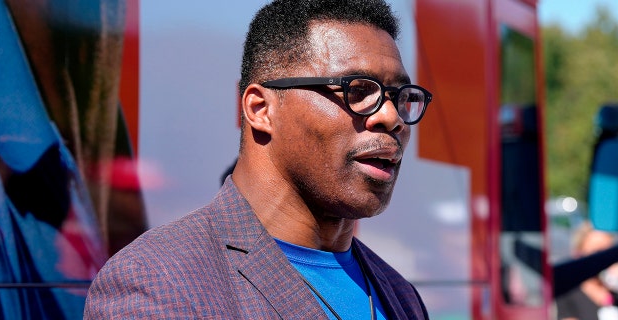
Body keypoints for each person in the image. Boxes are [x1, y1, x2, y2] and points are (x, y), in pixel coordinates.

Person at [84, 0, 432, 318]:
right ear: (260, 109)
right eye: (358, 90)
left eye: (401, 96)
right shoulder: (158, 284)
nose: (391, 116)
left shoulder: (400, 296)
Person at [557, 221, 618, 320]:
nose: (605, 261)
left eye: (609, 253)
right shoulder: (567, 293)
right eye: (597, 253)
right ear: (578, 254)